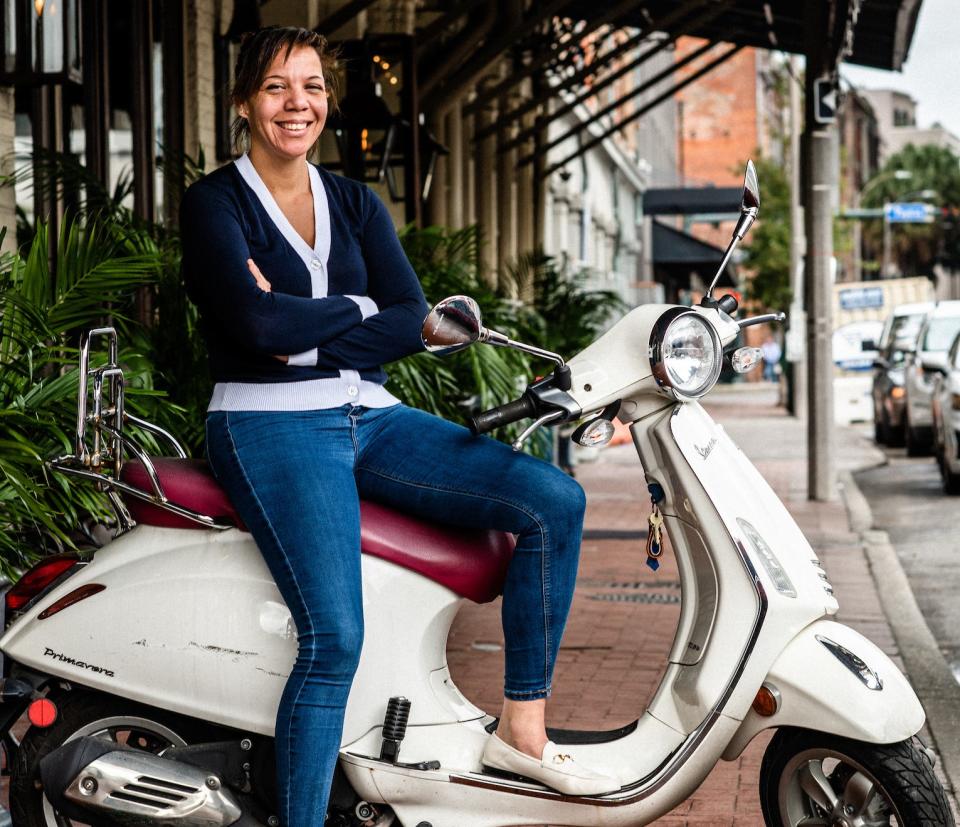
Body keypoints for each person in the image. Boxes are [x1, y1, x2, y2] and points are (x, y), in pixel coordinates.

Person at [179, 26, 617, 827]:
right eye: (276, 88)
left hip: (370, 417)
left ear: (328, 103)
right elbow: (249, 322)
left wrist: (301, 322)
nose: (296, 104)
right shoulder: (214, 203)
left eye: (311, 88)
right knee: (334, 637)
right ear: (243, 102)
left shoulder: (353, 200)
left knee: (551, 500)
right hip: (270, 425)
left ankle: (523, 728)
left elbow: (413, 316)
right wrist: (357, 310)